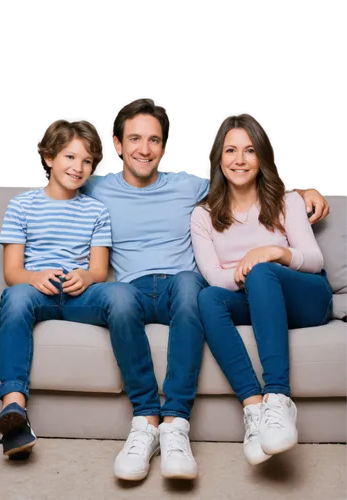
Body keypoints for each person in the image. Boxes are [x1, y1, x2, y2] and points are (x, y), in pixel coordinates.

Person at [79, 97, 330, 480]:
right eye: (134, 139)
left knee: (220, 281)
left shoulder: (198, 187)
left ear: (166, 148)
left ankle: (240, 407)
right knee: (205, 295)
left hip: (285, 292)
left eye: (154, 141)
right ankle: (238, 411)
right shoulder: (106, 191)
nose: (144, 150)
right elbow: (59, 188)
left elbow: (249, 183)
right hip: (165, 291)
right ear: (116, 145)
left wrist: (303, 199)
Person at [190, 111, 333, 466]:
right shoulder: (203, 215)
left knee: (263, 273)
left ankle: (279, 400)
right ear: (218, 158)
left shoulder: (289, 201)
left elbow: (314, 260)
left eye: (250, 151)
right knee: (208, 298)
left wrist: (272, 253)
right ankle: (255, 411)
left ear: (262, 158)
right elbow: (211, 276)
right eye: (231, 151)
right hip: (254, 297)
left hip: (307, 299)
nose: (239, 160)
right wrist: (247, 270)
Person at [0, 117, 112, 459]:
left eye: (87, 161)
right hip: (35, 292)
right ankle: (13, 407)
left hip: (79, 295)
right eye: (70, 157)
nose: (78, 167)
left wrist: (87, 277)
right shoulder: (22, 205)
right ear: (48, 158)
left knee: (121, 297)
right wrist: (33, 277)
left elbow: (99, 270)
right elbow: (12, 271)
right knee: (13, 298)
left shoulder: (96, 210)